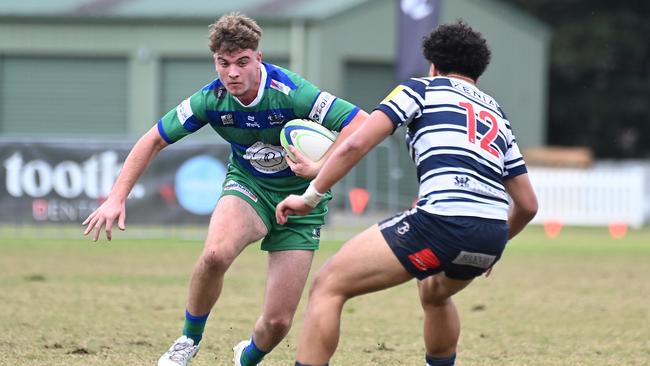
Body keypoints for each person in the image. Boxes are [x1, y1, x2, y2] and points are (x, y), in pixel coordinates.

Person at [82, 12, 368, 366]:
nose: (233, 72)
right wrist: (116, 197)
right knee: (214, 254)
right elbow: (154, 138)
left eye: (242, 62)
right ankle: (189, 338)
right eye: (224, 63)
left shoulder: (292, 93)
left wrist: (319, 168)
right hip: (249, 186)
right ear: (215, 62)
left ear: (258, 59)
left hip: (302, 203)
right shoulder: (210, 99)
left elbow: (361, 124)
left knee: (277, 322)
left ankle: (246, 357)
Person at [276, 21, 538, 366]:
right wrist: (494, 241)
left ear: (433, 66)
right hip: (489, 235)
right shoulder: (496, 112)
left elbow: (356, 143)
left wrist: (309, 195)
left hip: (443, 223)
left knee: (328, 285)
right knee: (434, 293)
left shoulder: (421, 89)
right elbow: (529, 205)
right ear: (478, 70)